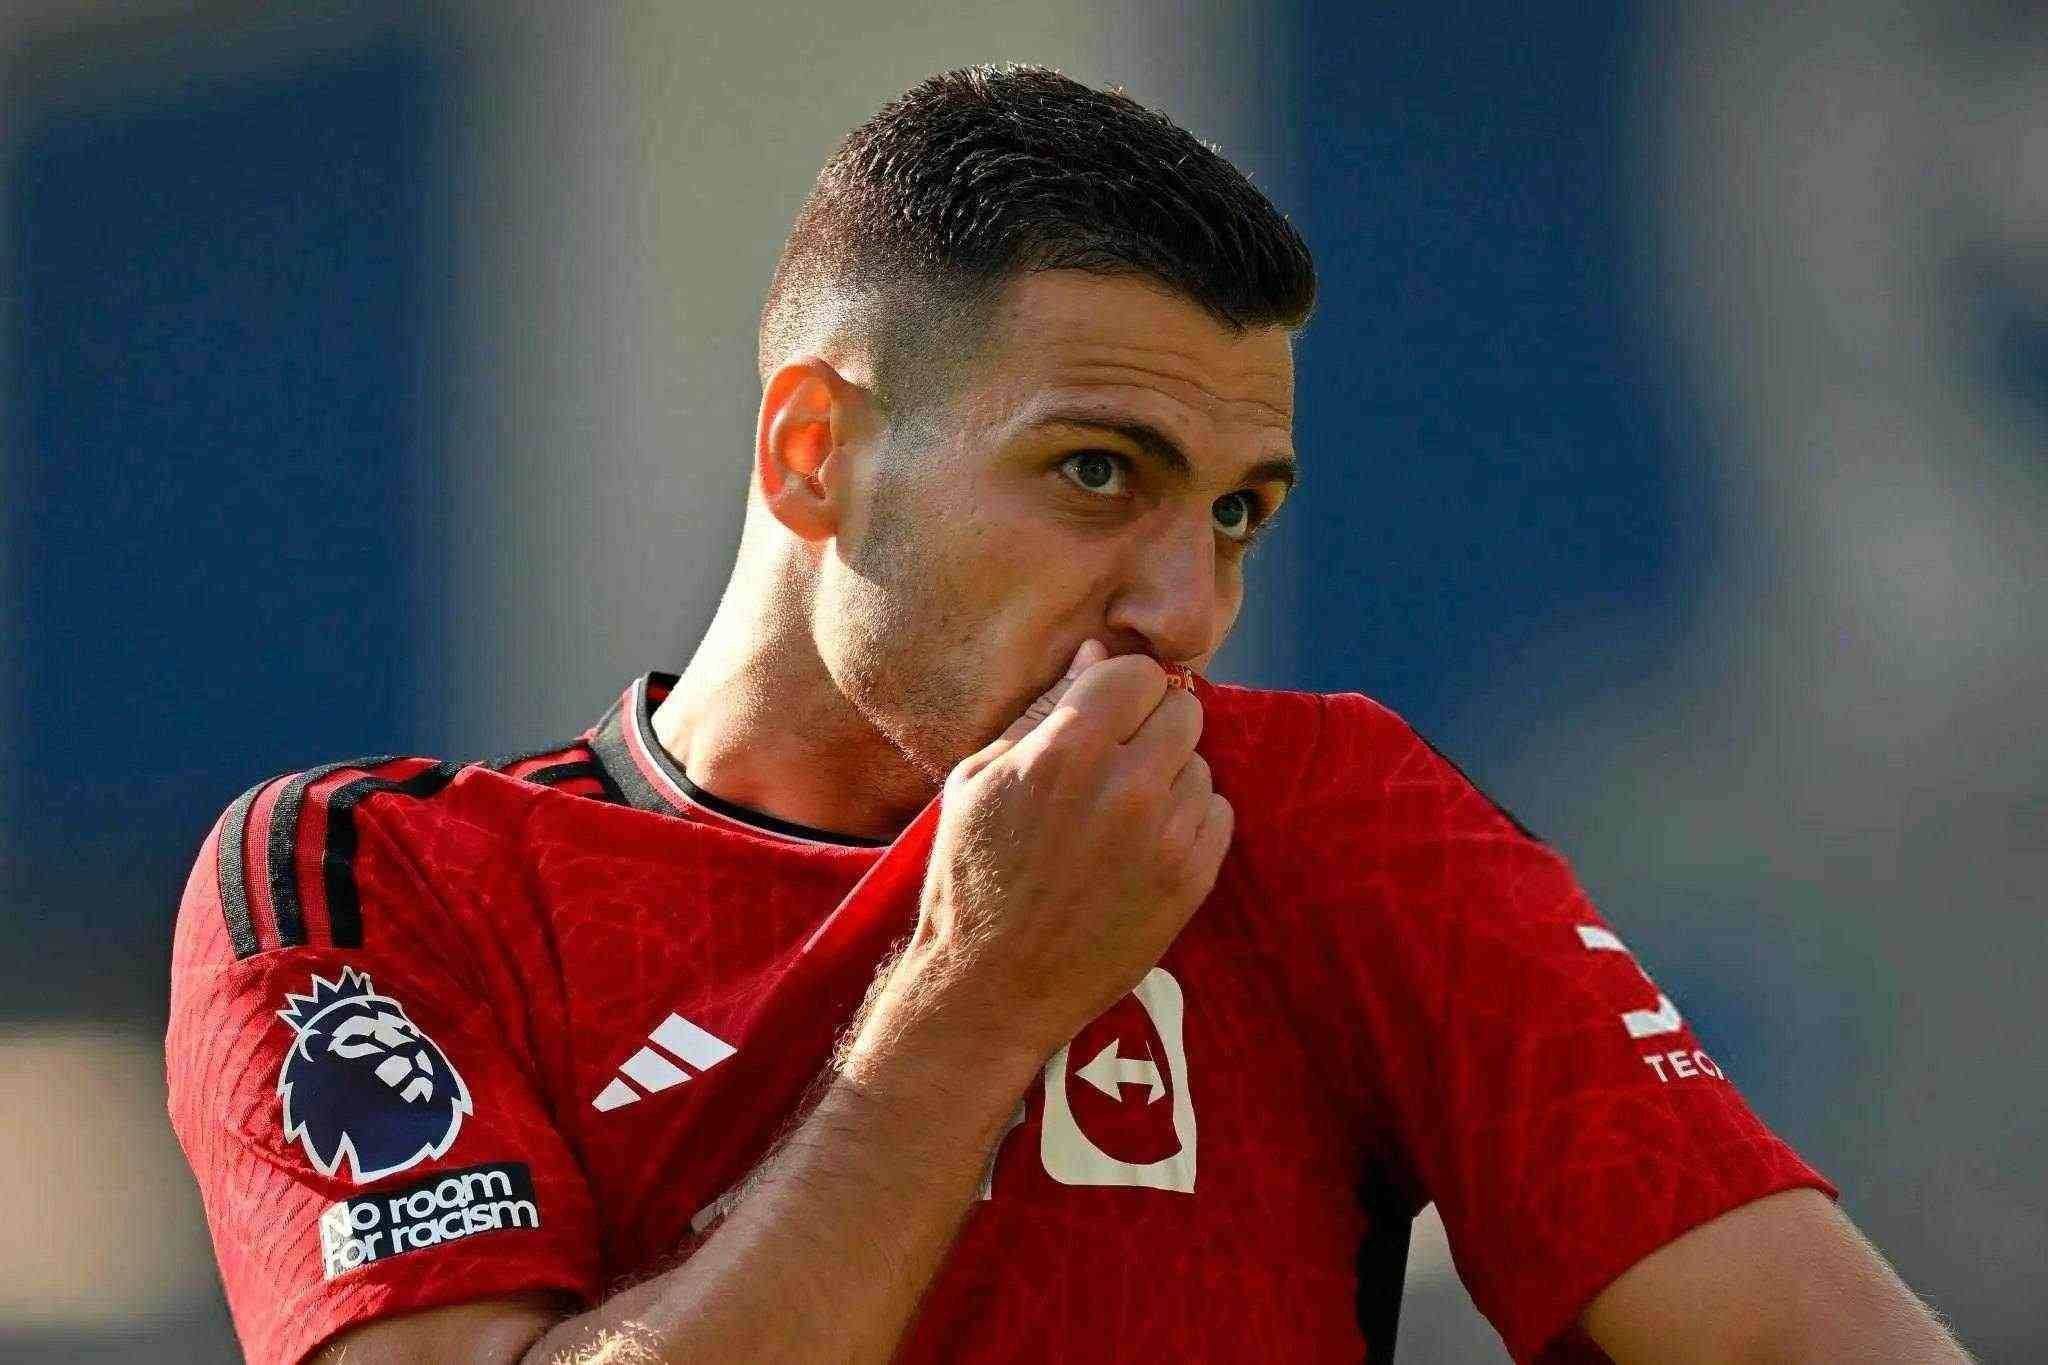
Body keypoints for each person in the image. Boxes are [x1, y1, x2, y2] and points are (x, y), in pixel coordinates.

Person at [165, 64, 1970, 1364]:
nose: (1185, 610)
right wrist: (977, 998)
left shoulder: (1323, 816)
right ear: (813, 450)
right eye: (1098, 471)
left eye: (1239, 512)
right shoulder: (381, 882)